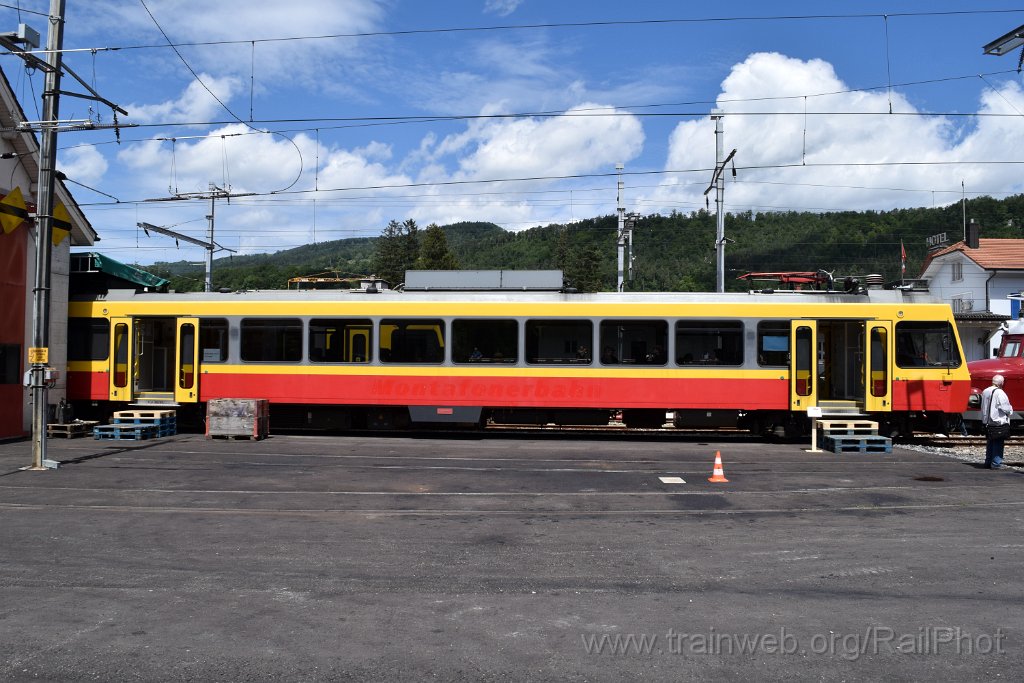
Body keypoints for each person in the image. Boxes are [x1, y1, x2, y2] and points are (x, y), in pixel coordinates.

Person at [980, 374, 1013, 469]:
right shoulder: (1000, 392)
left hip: (987, 421)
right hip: (998, 421)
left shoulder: (985, 391)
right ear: (1001, 383)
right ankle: (996, 463)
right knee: (998, 443)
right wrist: (1010, 411)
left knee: (990, 442)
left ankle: (988, 462)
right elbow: (1005, 407)